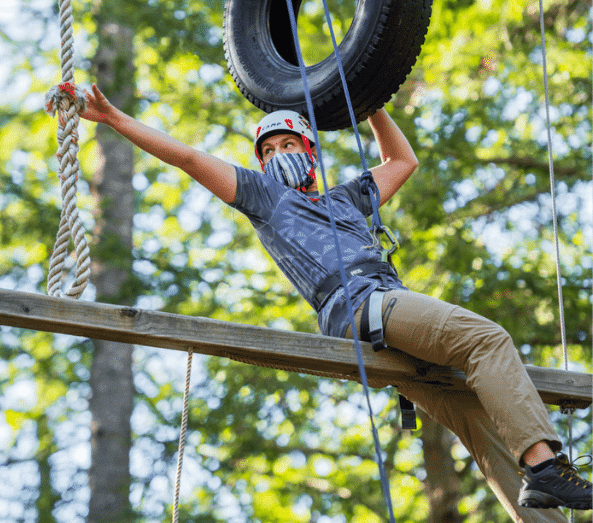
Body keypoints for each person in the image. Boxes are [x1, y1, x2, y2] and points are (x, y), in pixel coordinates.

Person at [77, 83, 591, 520]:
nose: (279, 156)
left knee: (479, 423)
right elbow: (187, 157)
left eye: (288, 145)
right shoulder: (266, 199)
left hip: (387, 316)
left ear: (310, 150)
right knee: (483, 339)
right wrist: (113, 118)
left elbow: (401, 161)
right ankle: (546, 466)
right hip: (362, 307)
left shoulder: (346, 200)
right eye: (269, 150)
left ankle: (539, 504)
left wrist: (369, 98)